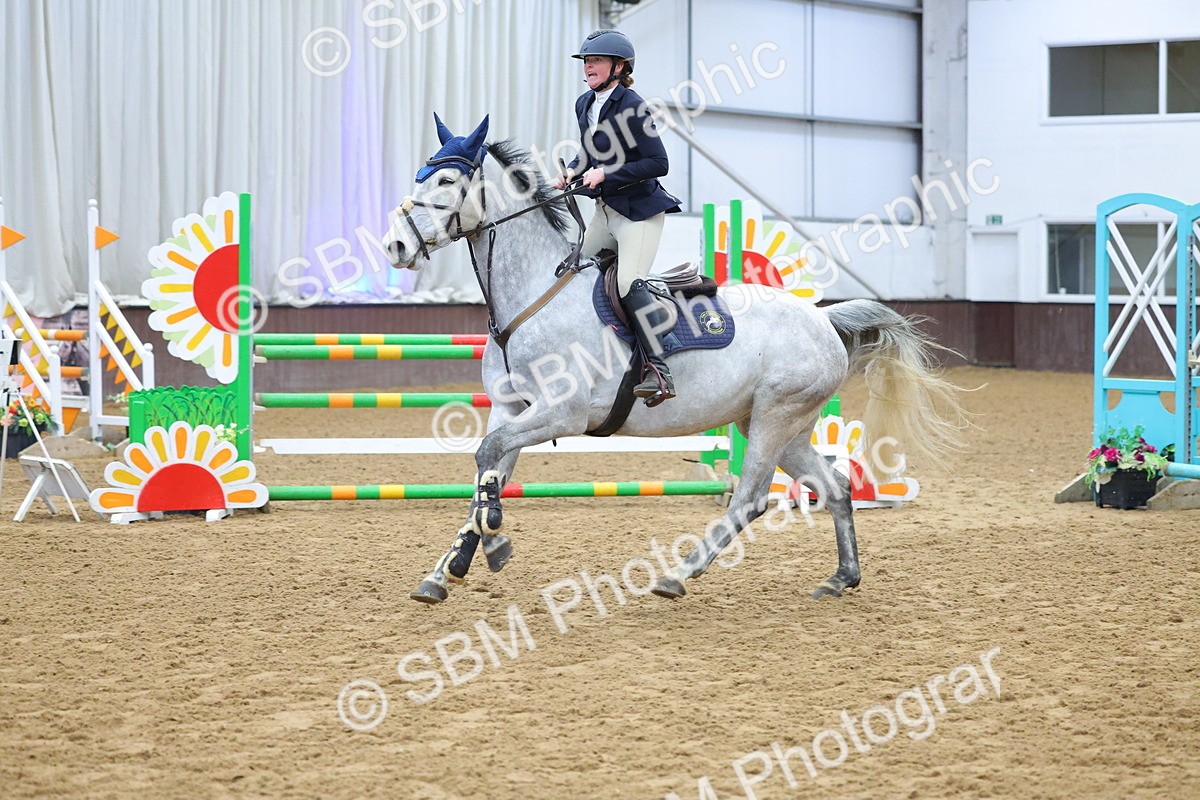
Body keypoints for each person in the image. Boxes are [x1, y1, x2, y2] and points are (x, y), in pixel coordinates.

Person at [554, 29, 682, 406]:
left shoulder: (633, 107)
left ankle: (658, 368)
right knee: (571, 271)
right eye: (586, 61)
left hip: (639, 214)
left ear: (619, 66)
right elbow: (586, 153)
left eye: (595, 60)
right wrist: (572, 171)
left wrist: (606, 174)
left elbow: (659, 163)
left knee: (628, 282)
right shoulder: (584, 104)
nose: (588, 66)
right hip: (605, 212)